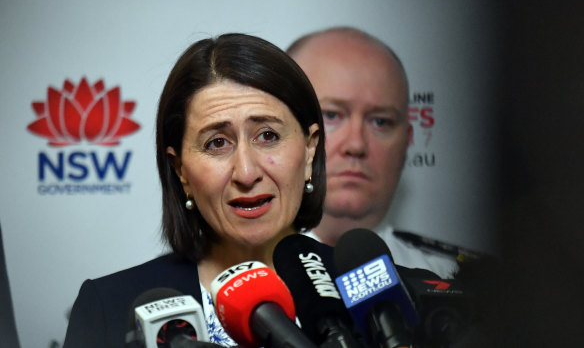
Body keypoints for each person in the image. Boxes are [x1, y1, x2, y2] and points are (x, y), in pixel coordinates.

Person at [63, 33, 326, 347]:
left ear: (310, 149)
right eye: (217, 143)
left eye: (267, 135)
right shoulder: (109, 308)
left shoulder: (386, 296)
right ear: (181, 170)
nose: (246, 172)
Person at [288, 27, 461, 278]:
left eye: (381, 122)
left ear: (407, 141)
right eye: (331, 115)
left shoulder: (456, 279)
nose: (356, 145)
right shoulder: (221, 281)